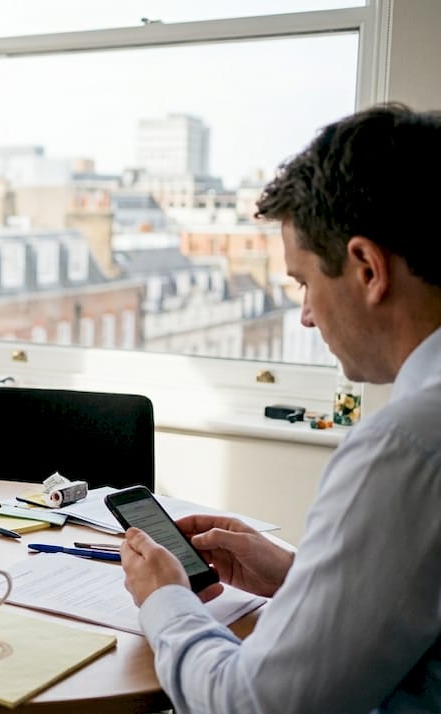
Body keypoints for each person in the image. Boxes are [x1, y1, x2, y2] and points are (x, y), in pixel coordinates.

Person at [118, 102, 441, 712]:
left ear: (368, 269)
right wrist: (301, 577)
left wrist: (165, 598)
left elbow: (253, 704)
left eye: (303, 283)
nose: (307, 315)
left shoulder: (405, 448)